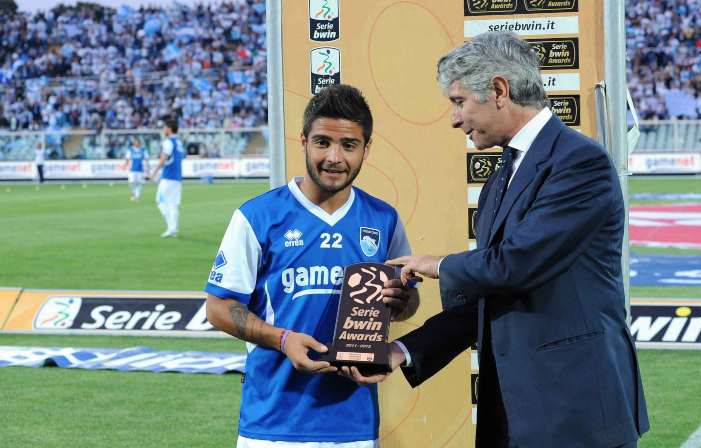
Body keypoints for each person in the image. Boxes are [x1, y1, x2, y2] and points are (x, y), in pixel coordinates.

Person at [344, 31, 650, 447]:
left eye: (458, 102)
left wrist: (435, 264)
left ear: (499, 90)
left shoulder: (581, 162)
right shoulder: (500, 177)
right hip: (513, 413)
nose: (454, 119)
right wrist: (402, 351)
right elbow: (488, 293)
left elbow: (517, 264)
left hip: (576, 411)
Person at [204, 84, 419, 448]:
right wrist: (282, 339)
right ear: (303, 140)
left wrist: (401, 302)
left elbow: (407, 302)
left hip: (353, 424)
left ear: (367, 148)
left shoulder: (384, 220)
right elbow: (218, 307)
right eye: (322, 142)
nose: (334, 157)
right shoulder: (258, 216)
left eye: (349, 145)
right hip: (272, 425)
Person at [149, 116, 184, 237]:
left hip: (168, 177)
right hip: (177, 178)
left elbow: (164, 158)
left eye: (164, 127)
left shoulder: (168, 142)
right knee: (173, 204)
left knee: (160, 201)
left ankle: (171, 227)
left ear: (169, 129)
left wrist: (154, 172)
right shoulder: (179, 142)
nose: (163, 129)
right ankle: (174, 228)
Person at [124, 137, 149, 202]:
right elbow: (127, 159)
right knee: (131, 182)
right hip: (132, 169)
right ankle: (133, 193)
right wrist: (125, 165)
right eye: (135, 142)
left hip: (140, 170)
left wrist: (147, 168)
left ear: (140, 143)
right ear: (134, 143)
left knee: (139, 183)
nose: (136, 143)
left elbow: (146, 159)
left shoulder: (143, 150)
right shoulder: (130, 150)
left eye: (138, 142)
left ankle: (137, 196)